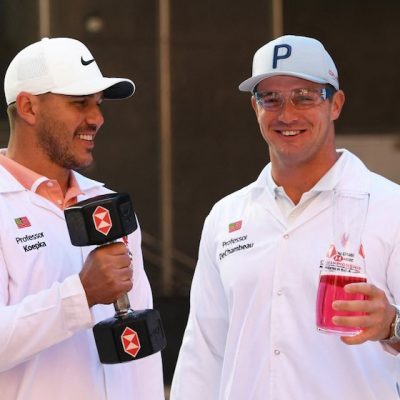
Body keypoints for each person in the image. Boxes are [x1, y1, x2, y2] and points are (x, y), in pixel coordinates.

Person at [170, 34, 400, 400]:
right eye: (271, 99)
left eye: (304, 97)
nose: (287, 114)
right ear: (255, 109)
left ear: (335, 104)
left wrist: (391, 325)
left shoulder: (390, 207)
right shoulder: (227, 216)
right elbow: (203, 351)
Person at [0, 37, 164, 399]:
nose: (97, 118)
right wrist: (81, 293)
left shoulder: (108, 204)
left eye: (99, 104)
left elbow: (143, 348)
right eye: (79, 104)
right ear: (28, 107)